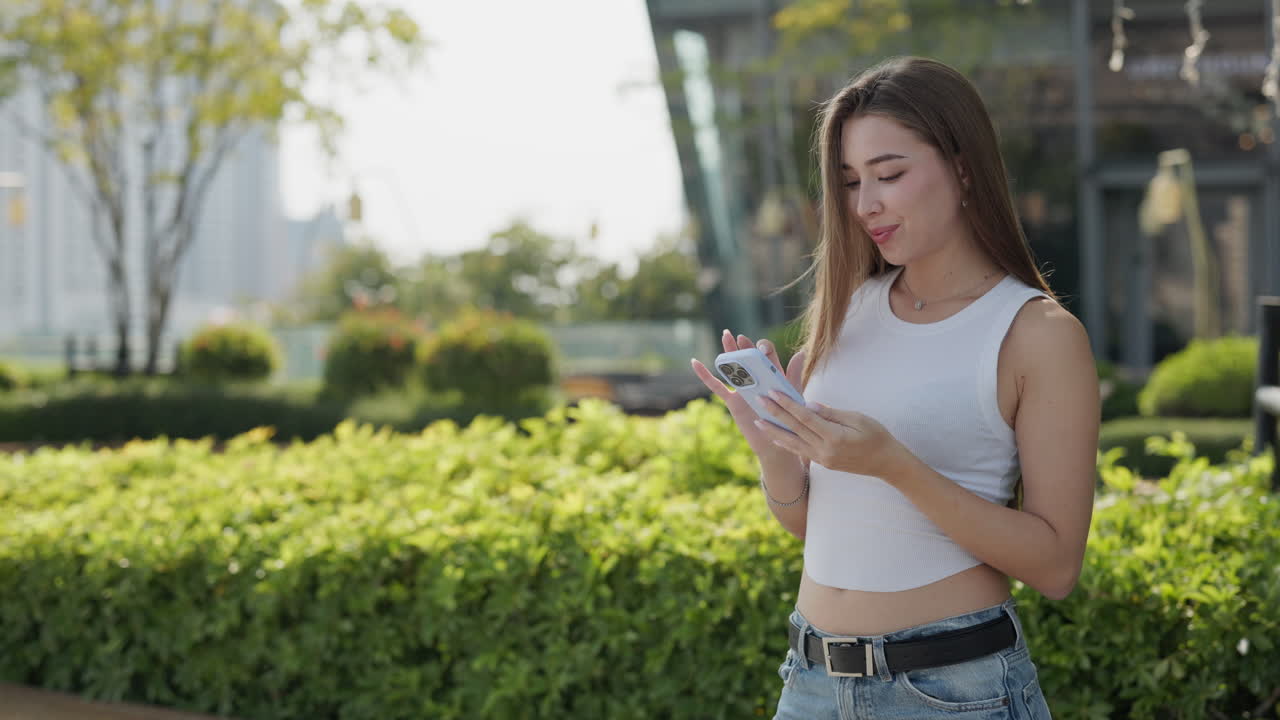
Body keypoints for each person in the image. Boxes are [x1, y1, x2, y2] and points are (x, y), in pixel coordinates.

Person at [690, 56, 1098, 719]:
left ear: (963, 167)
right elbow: (811, 525)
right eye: (851, 182)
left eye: (890, 175)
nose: (865, 204)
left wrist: (893, 465)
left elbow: (1055, 567)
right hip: (812, 683)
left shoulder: (1036, 333)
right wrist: (773, 447)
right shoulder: (849, 309)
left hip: (950, 689)